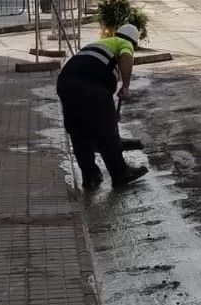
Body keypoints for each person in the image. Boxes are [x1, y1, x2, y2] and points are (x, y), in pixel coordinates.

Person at [56, 23, 148, 190]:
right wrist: (126, 86)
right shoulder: (124, 43)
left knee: (79, 132)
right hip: (90, 85)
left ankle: (90, 176)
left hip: (65, 82)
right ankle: (120, 174)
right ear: (134, 42)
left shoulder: (99, 44)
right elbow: (127, 57)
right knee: (106, 132)